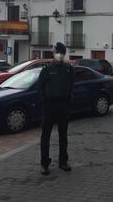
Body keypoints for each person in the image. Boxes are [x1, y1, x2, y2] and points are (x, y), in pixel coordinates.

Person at [38, 42, 74, 175]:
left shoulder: (68, 69)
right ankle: (44, 164)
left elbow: (71, 87)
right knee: (45, 137)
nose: (60, 55)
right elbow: (40, 88)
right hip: (49, 106)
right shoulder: (46, 69)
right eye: (58, 52)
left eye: (62, 53)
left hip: (63, 106)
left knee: (63, 136)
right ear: (54, 53)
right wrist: (44, 103)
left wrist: (69, 105)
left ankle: (63, 162)